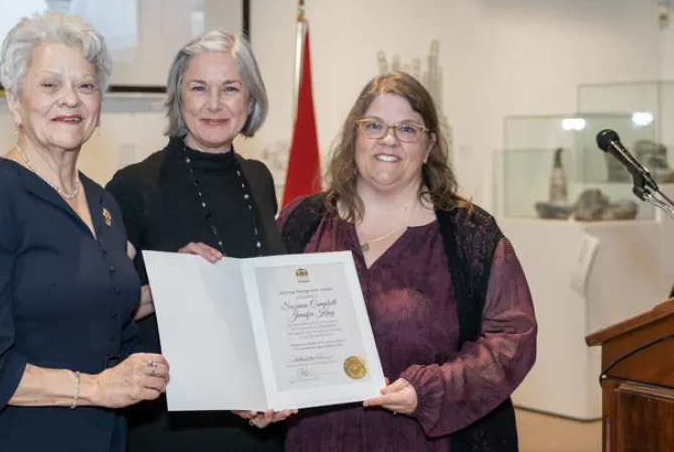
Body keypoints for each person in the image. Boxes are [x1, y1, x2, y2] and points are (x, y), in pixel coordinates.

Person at [0, 10, 170, 452]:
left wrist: (187, 289)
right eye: (50, 84)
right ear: (14, 101)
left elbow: (102, 321)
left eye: (85, 85)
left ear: (99, 106)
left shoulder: (104, 205)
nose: (70, 99)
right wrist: (98, 389)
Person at [270, 71, 537, 452]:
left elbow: (513, 338)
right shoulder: (301, 221)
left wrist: (432, 390)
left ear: (428, 147)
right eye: (374, 125)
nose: (389, 140)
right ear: (355, 136)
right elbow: (264, 322)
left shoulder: (470, 234)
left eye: (407, 129)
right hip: (312, 439)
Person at [105, 30, 292, 452]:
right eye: (198, 88)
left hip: (257, 424)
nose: (214, 104)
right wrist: (172, 286)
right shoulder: (133, 187)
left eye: (230, 88)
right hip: (170, 425)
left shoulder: (260, 179)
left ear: (250, 99)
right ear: (178, 97)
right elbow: (101, 313)